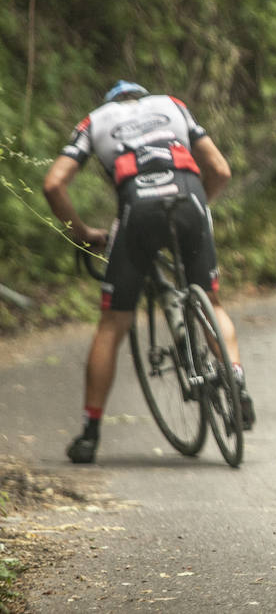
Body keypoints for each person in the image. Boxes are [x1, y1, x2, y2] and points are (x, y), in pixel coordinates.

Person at [42, 80, 253, 464]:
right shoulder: (173, 105)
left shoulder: (94, 120)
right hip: (188, 196)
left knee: (112, 323)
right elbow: (220, 170)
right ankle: (234, 375)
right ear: (142, 97)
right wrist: (198, 208)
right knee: (212, 301)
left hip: (137, 209)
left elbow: (53, 184)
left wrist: (83, 233)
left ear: (112, 102)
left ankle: (89, 434)